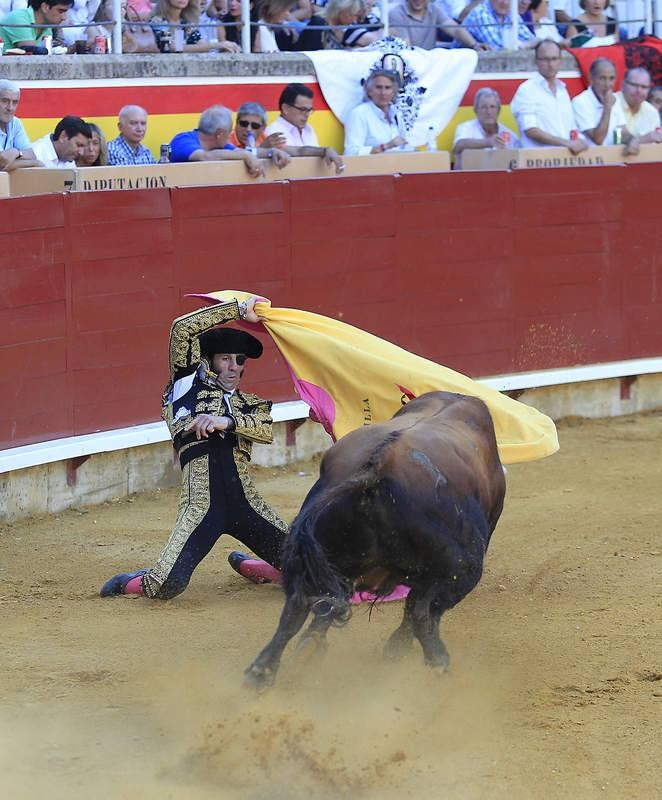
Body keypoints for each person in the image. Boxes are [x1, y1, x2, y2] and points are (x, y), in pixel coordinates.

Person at [100, 295, 288, 600]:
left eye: (240, 360)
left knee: (311, 567)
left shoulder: (251, 404)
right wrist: (239, 310)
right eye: (226, 358)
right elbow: (182, 329)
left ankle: (266, 569)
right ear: (209, 359)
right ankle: (128, 582)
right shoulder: (187, 384)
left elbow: (265, 430)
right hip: (203, 506)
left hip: (246, 503)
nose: (234, 366)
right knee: (167, 585)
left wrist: (223, 421)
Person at [169, 104, 291, 177]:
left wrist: (272, 152)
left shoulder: (220, 146)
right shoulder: (183, 140)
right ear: (220, 134)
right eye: (228, 132)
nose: (230, 136)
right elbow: (204, 157)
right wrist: (246, 156)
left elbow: (247, 151)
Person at [510, 39, 588, 153]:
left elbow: (571, 128)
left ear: (560, 61)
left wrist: (581, 140)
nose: (550, 64)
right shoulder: (527, 89)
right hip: (537, 162)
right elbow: (531, 130)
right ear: (535, 61)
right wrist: (566, 143)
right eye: (545, 59)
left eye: (554, 59)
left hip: (564, 160)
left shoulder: (562, 90)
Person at [230, 100, 345, 173]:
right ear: (236, 123)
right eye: (243, 124)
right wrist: (264, 150)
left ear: (263, 127)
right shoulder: (228, 140)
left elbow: (298, 150)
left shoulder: (267, 138)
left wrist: (325, 150)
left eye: (255, 126)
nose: (248, 129)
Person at [571, 57, 637, 151]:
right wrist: (607, 108)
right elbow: (598, 140)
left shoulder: (615, 99)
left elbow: (621, 132)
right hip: (592, 159)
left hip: (613, 157)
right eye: (602, 78)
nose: (607, 84)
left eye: (611, 78)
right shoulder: (580, 102)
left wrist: (635, 141)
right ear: (591, 78)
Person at [343, 68, 408, 156]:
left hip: (396, 167)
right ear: (369, 91)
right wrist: (385, 147)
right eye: (378, 87)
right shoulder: (359, 113)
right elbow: (351, 152)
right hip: (370, 168)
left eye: (387, 88)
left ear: (393, 92)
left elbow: (402, 146)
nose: (383, 93)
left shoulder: (397, 113)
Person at [453, 87, 519, 168]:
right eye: (484, 107)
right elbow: (459, 145)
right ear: (475, 110)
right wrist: (489, 142)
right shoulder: (466, 127)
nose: (488, 112)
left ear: (499, 110)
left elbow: (517, 163)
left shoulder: (509, 134)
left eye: (492, 107)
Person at [389, 0, 487, 51]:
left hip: (430, 62)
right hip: (409, 64)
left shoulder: (434, 9)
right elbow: (407, 48)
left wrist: (475, 45)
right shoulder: (396, 13)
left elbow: (454, 29)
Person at [150, 0, 239, 52]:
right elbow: (173, 48)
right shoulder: (158, 20)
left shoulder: (184, 21)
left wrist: (225, 47)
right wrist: (218, 45)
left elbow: (201, 44)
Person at [463, 0, 537, 50]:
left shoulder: (511, 13)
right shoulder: (481, 13)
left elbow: (533, 39)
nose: (505, 2)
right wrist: (524, 45)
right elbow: (499, 48)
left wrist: (524, 44)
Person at [23, 116, 92, 168]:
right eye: (78, 145)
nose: (81, 153)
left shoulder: (68, 159)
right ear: (63, 136)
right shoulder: (35, 154)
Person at [0, 0, 73, 49]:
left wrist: (73, 49)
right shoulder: (18, 17)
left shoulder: (47, 26)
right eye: (60, 11)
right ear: (45, 7)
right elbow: (32, 52)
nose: (64, 17)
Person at [615, 68, 662, 144]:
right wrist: (646, 138)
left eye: (644, 87)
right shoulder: (611, 103)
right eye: (634, 85)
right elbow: (617, 140)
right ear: (622, 85)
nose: (638, 91)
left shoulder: (652, 112)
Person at [0, 80, 33, 172]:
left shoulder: (15, 123)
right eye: (5, 101)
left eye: (14, 102)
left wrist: (16, 153)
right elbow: (2, 165)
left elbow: (31, 154)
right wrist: (36, 163)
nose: (10, 108)